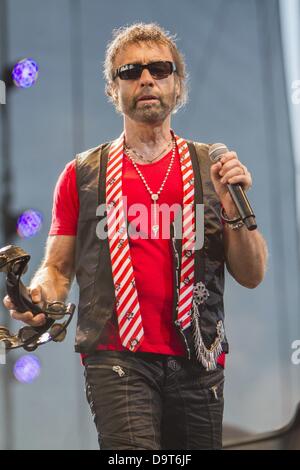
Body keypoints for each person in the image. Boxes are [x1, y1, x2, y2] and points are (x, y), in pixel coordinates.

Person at [3, 22, 268, 450]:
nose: (146, 78)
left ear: (177, 85)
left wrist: (234, 208)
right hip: (116, 356)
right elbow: (56, 268)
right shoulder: (81, 175)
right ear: (114, 89)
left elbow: (252, 274)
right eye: (130, 71)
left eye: (159, 69)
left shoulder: (212, 169)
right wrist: (38, 298)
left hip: (198, 356)